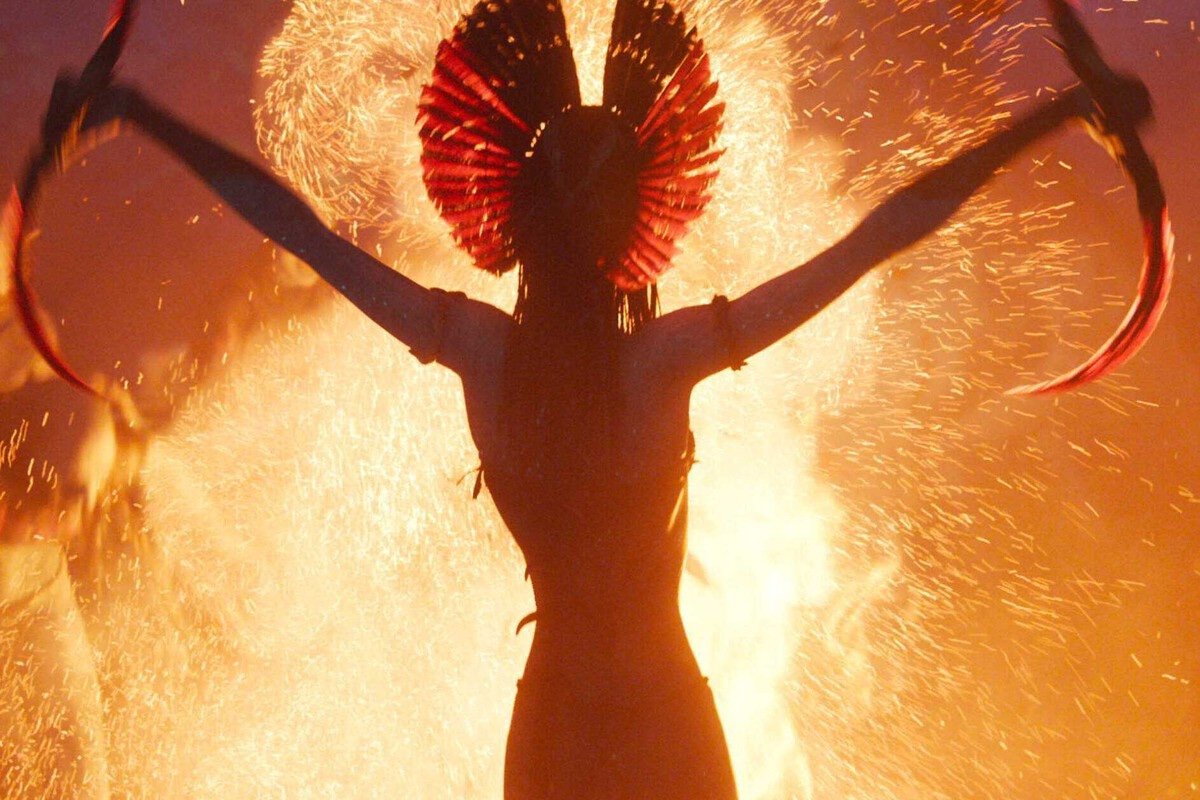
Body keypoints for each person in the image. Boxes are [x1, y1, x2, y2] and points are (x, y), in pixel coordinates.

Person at [22, 0, 1153, 796]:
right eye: (600, 167)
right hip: (648, 716)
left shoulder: (484, 348)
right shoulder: (657, 357)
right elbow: (876, 239)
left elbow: (297, 229)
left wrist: (136, 115)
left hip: (566, 720)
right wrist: (1049, 118)